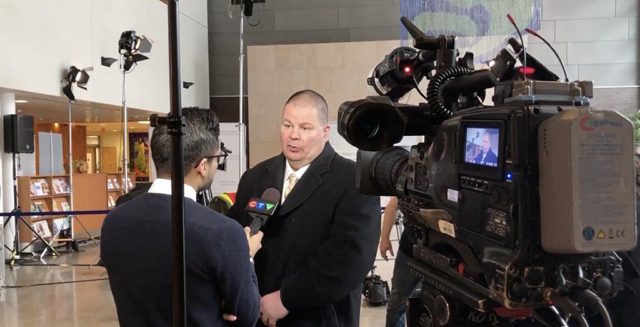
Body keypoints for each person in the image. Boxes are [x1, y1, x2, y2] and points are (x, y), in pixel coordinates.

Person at [227, 90, 381, 326]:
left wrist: (286, 298)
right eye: (287, 125)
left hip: (319, 317)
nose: (293, 136)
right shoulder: (255, 177)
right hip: (256, 314)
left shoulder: (353, 181)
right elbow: (233, 238)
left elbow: (350, 259)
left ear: (325, 132)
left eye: (305, 128)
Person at [101, 107, 262, 327]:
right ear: (203, 166)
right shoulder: (223, 233)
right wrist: (247, 256)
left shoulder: (114, 222)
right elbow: (248, 315)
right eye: (218, 158)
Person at [379, 197, 421, 327]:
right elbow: (393, 205)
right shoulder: (411, 178)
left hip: (442, 255)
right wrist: (385, 238)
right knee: (397, 304)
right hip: (409, 250)